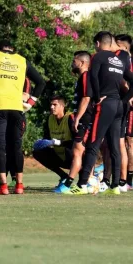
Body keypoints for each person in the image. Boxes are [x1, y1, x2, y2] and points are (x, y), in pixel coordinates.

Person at [0, 39, 46, 195]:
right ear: (13, 49)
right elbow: (40, 82)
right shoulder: (22, 59)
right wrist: (31, 102)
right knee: (16, 147)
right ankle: (19, 185)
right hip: (17, 107)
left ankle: (4, 186)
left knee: (0, 147)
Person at [72, 31, 133, 195]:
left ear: (98, 44)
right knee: (115, 146)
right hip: (118, 106)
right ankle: (114, 187)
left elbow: (93, 78)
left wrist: (97, 97)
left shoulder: (97, 57)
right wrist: (124, 100)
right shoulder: (119, 60)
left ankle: (82, 184)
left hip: (105, 104)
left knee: (93, 143)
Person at [54, 51, 94, 193]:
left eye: (74, 60)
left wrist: (77, 118)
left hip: (85, 120)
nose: (72, 62)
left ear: (82, 63)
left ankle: (68, 184)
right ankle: (88, 181)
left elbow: (86, 99)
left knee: (77, 152)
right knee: (83, 151)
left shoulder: (85, 76)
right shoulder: (82, 78)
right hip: (84, 119)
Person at [33, 96, 74, 182]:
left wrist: (57, 142)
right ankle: (63, 176)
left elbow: (77, 142)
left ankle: (84, 178)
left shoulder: (71, 118)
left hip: (73, 156)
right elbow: (47, 138)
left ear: (62, 106)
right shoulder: (49, 119)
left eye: (55, 105)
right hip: (59, 156)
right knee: (37, 153)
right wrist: (41, 143)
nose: (52, 107)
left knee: (72, 151)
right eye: (51, 105)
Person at [115, 34, 133, 189]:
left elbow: (125, 81)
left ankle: (126, 180)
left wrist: (127, 98)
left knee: (128, 141)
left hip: (126, 104)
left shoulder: (125, 60)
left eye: (117, 45)